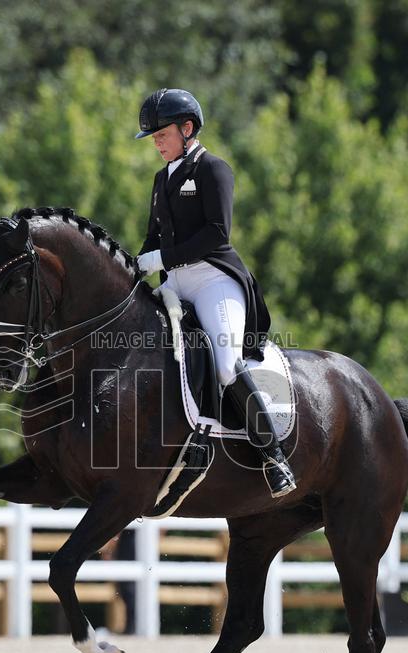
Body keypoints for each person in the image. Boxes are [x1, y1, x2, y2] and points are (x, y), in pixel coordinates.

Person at [134, 88, 297, 498]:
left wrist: (160, 257)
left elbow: (216, 233)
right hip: (174, 282)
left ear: (187, 129)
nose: (157, 142)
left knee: (226, 363)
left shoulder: (213, 170)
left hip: (212, 279)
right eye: (153, 137)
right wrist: (136, 268)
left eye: (162, 134)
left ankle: (274, 456)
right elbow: (152, 238)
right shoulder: (161, 180)